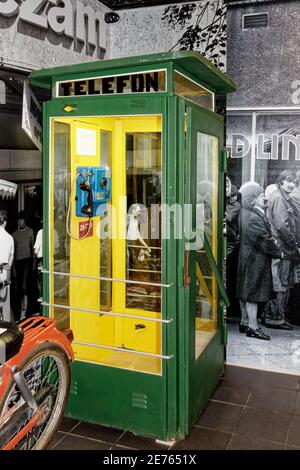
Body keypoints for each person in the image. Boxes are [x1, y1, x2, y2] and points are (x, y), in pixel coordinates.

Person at [237, 182, 282, 340]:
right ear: (252, 199)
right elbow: (265, 241)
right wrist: (279, 252)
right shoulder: (253, 217)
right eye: (260, 195)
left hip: (247, 259)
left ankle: (244, 322)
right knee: (253, 295)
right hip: (255, 261)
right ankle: (253, 327)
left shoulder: (246, 212)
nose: (264, 197)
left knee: (245, 292)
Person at [263, 170, 300, 330]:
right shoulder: (279, 199)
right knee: (281, 283)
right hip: (283, 249)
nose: (292, 184)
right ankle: (275, 318)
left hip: (283, 248)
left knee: (282, 282)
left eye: (294, 181)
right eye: (288, 181)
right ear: (281, 182)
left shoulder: (283, 198)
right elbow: (282, 226)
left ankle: (276, 316)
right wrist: (294, 244)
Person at [12, 211, 34, 321]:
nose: (20, 222)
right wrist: (13, 268)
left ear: (25, 221)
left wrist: (34, 263)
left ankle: (25, 310)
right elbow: (13, 252)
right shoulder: (14, 234)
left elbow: (32, 248)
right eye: (18, 220)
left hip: (27, 262)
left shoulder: (30, 232)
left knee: (25, 287)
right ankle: (19, 312)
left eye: (22, 220)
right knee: (18, 290)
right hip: (18, 262)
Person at [226, 184, 241, 318]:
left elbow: (228, 218)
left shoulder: (235, 206)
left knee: (228, 277)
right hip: (227, 242)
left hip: (230, 245)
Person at [0, 209, 14, 322]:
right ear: (5, 222)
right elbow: (11, 258)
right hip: (4, 274)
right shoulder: (10, 238)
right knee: (4, 305)